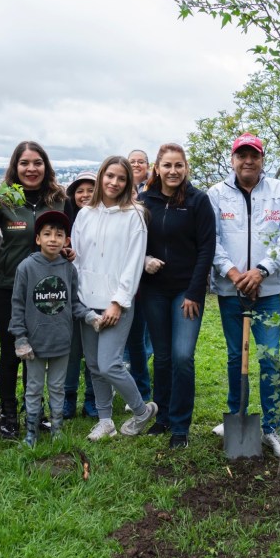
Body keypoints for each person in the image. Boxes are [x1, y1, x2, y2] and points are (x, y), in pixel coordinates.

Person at [0, 141, 70, 438]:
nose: (31, 168)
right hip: (9, 286)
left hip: (49, 288)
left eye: (37, 162)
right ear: (16, 167)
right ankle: (9, 413)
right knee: (12, 353)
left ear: (46, 166)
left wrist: (69, 252)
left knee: (40, 351)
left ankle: (35, 412)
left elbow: (70, 237)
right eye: (25, 163)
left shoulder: (60, 199)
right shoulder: (4, 200)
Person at [207, 133, 280, 456]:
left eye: (254, 156)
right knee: (235, 356)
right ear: (232, 160)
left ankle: (272, 426)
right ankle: (237, 415)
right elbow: (211, 240)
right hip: (231, 291)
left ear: (262, 159)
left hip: (268, 290)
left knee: (270, 357)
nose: (248, 161)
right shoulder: (217, 194)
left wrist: (261, 270)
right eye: (241, 155)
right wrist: (232, 273)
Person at [71, 156, 158, 441]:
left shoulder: (134, 215)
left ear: (128, 182)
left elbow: (133, 263)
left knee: (110, 363)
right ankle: (105, 419)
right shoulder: (85, 214)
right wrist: (78, 299)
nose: (114, 182)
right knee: (94, 365)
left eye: (121, 178)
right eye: (110, 176)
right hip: (87, 300)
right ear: (101, 177)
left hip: (115, 303)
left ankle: (141, 410)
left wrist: (118, 302)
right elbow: (77, 258)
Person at [139, 144, 217, 449]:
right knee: (163, 357)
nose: (173, 171)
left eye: (178, 166)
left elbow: (206, 248)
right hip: (154, 290)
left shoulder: (198, 201)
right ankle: (163, 416)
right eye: (167, 165)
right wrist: (145, 258)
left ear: (186, 168)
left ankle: (181, 426)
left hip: (187, 291)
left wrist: (195, 292)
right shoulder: (144, 201)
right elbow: (132, 243)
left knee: (183, 356)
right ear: (157, 168)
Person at [11, 211, 92, 446]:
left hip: (61, 340)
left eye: (59, 235)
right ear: (38, 239)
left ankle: (57, 428)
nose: (53, 239)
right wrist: (20, 338)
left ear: (67, 240)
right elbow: (17, 304)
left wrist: (89, 316)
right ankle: (31, 431)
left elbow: (74, 302)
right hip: (34, 342)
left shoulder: (69, 269)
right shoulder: (26, 267)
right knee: (34, 387)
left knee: (57, 387)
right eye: (47, 234)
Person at [63, 171, 98, 419]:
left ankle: (92, 399)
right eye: (79, 191)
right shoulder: (64, 222)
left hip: (95, 292)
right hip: (68, 293)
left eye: (90, 190)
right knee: (71, 349)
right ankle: (68, 398)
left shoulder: (103, 219)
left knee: (93, 350)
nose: (84, 195)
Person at [124, 149, 153, 402]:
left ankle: (141, 390)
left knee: (139, 342)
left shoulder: (147, 207)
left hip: (142, 287)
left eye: (140, 161)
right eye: (131, 161)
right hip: (115, 287)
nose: (136, 165)